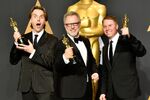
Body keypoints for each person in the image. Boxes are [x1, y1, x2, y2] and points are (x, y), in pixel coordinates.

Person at [9, 6, 58, 100]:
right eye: (35, 16)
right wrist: (16, 42)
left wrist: (33, 52)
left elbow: (51, 63)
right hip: (26, 88)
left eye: (41, 16)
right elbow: (13, 60)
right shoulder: (23, 38)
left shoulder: (53, 40)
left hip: (45, 88)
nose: (38, 19)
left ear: (45, 21)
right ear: (30, 20)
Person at [54, 11, 99, 100]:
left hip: (87, 90)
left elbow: (91, 60)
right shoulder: (60, 43)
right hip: (70, 93)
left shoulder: (85, 41)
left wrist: (94, 71)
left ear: (79, 24)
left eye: (74, 23)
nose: (72, 27)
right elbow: (56, 66)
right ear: (65, 26)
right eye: (68, 24)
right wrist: (65, 57)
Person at [99, 16, 146, 100]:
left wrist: (129, 36)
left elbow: (142, 51)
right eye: (105, 26)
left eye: (110, 25)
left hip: (127, 92)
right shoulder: (104, 48)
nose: (107, 28)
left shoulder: (127, 41)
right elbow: (105, 72)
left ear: (116, 26)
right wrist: (103, 92)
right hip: (111, 94)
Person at [67, 0, 106, 65]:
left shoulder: (100, 7)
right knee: (78, 71)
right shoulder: (72, 8)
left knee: (94, 71)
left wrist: (81, 29)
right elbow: (69, 28)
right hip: (76, 45)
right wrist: (82, 24)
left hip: (93, 44)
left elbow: (101, 29)